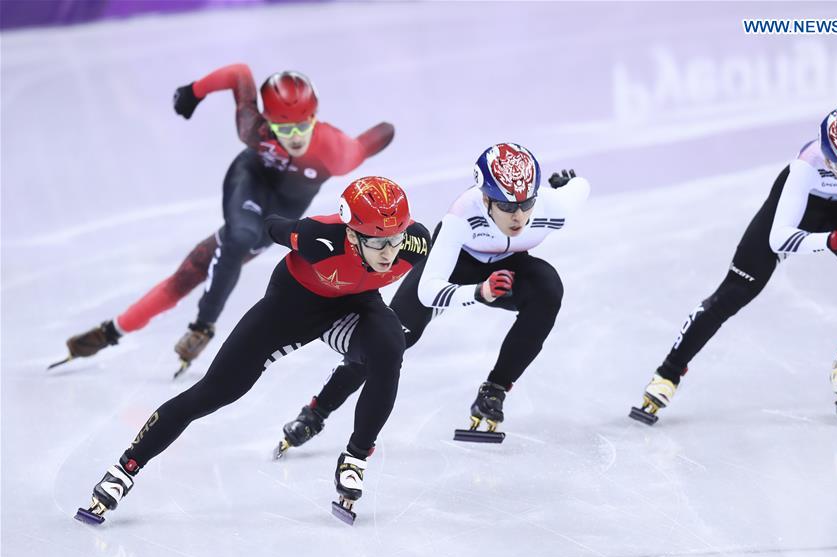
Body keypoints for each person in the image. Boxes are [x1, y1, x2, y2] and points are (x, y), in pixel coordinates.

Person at [75, 176, 432, 526]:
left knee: (390, 347)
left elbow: (424, 289)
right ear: (352, 235)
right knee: (214, 392)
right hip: (290, 309)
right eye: (377, 242)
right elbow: (273, 225)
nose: (389, 252)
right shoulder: (317, 238)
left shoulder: (415, 244)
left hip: (355, 308)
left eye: (395, 239)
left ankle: (355, 458)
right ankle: (125, 468)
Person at [54, 63, 395, 376]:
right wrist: (194, 91)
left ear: (315, 116)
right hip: (248, 181)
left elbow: (372, 140)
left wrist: (382, 131)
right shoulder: (254, 129)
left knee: (194, 269)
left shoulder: (336, 151)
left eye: (302, 125)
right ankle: (202, 326)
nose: (293, 136)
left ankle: (112, 330)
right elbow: (239, 74)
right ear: (268, 121)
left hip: (279, 213)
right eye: (282, 127)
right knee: (239, 237)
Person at [274, 142, 590, 454]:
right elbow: (428, 290)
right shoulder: (462, 216)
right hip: (455, 265)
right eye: (507, 206)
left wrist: (567, 185)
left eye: (526, 204)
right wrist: (478, 293)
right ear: (484, 198)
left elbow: (580, 187)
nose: (518, 216)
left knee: (548, 288)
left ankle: (494, 390)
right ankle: (317, 410)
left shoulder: (554, 208)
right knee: (392, 341)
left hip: (510, 266)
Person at [630, 105, 837, 426]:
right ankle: (667, 375)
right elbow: (779, 240)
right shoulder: (805, 169)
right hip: (798, 206)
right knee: (736, 290)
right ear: (827, 160)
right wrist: (833, 240)